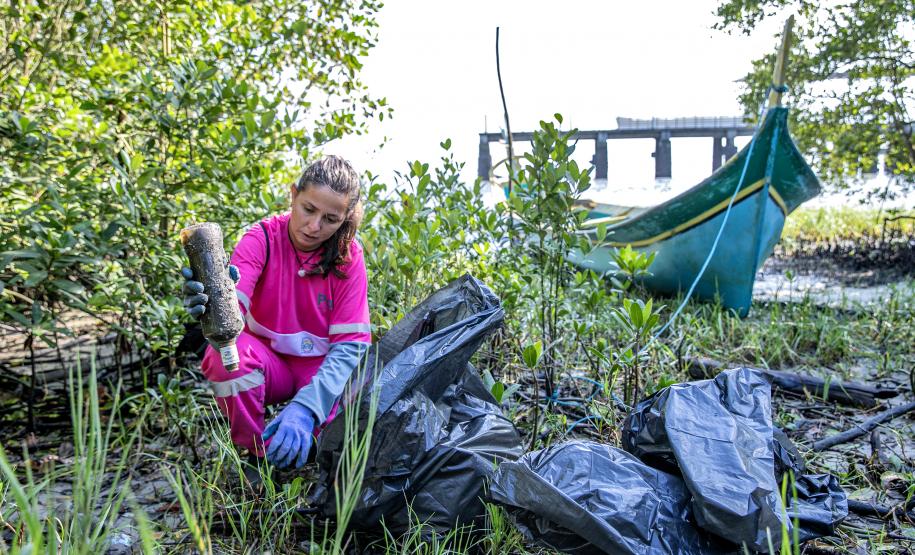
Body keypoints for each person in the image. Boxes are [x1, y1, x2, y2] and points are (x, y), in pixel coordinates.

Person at [181, 156, 371, 468]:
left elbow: (351, 346)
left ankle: (309, 451)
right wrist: (210, 307)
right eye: (308, 209)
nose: (314, 227)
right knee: (225, 359)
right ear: (294, 194)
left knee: (352, 405)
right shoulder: (262, 238)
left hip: (320, 368)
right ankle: (258, 455)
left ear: (346, 217)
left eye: (331, 219)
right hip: (271, 364)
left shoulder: (348, 256)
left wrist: (307, 408)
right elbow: (233, 300)